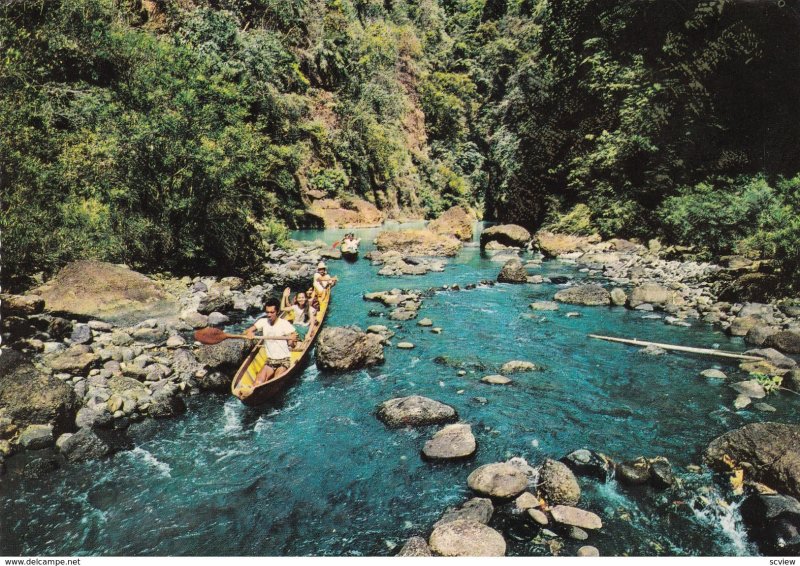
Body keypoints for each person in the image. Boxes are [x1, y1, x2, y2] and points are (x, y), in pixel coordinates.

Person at [244, 298, 297, 387]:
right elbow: (248, 330)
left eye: (272, 312)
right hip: (270, 361)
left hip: (283, 360)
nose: (269, 315)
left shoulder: (284, 324)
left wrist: (291, 340)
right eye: (267, 312)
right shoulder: (262, 321)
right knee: (257, 382)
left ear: (277, 312)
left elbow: (293, 345)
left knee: (276, 380)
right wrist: (249, 333)